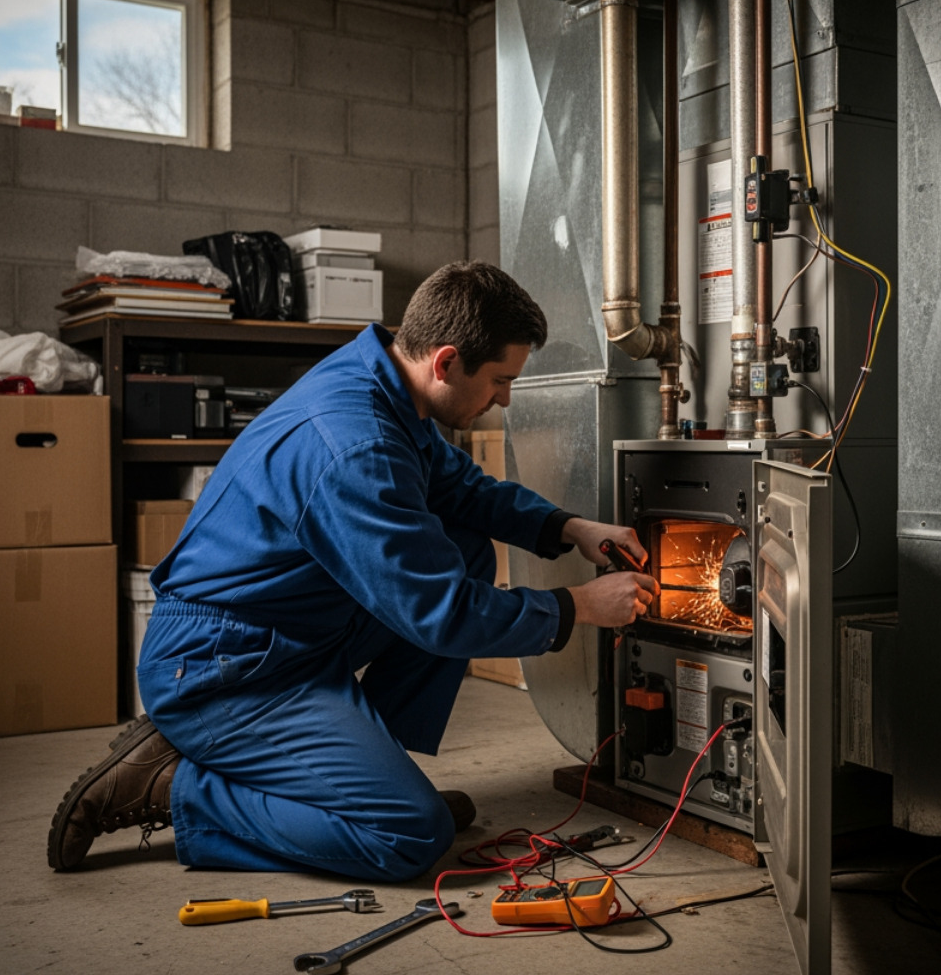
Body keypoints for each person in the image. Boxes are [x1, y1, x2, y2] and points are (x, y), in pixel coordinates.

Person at [48, 260, 658, 879]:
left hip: (288, 631)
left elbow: (461, 489)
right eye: (500, 381)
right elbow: (442, 614)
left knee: (465, 544)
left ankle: (362, 784)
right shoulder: (357, 445)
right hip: (223, 667)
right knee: (410, 836)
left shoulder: (384, 383)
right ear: (446, 362)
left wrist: (570, 527)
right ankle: (174, 787)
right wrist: (581, 605)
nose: (503, 398)